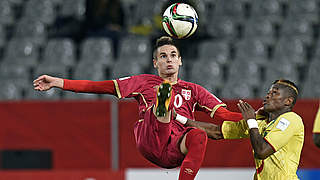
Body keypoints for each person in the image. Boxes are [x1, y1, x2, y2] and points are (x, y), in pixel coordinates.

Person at [33, 36, 243, 180]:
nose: (168, 59)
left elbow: (225, 115)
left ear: (180, 61)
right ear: (155, 63)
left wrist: (257, 118)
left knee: (199, 135)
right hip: (151, 140)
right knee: (158, 109)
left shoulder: (194, 90)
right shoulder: (143, 82)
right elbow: (100, 86)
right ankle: (163, 103)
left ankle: (164, 105)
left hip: (176, 148)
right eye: (163, 56)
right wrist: (59, 82)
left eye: (172, 55)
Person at [177, 79, 304, 180]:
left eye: (274, 93)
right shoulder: (260, 123)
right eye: (268, 93)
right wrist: (178, 118)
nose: (267, 96)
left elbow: (262, 151)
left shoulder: (291, 119)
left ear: (288, 101)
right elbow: (217, 132)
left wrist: (251, 121)